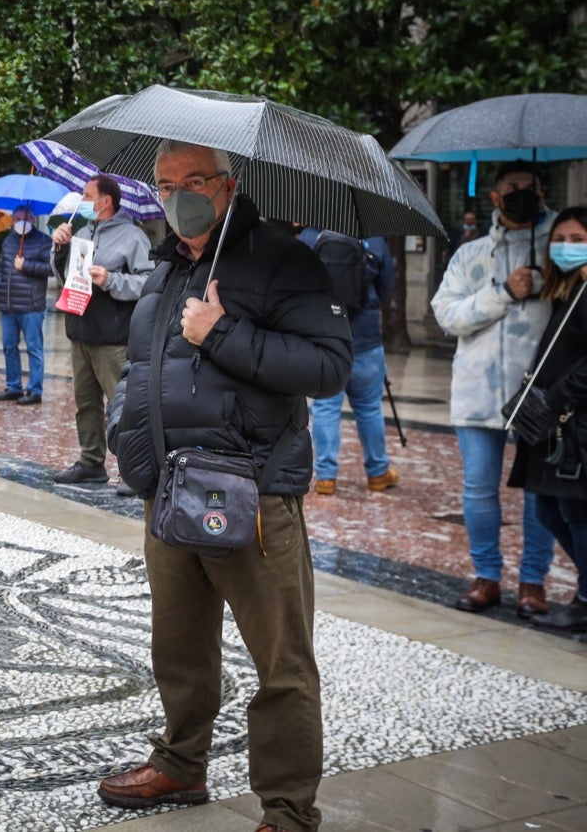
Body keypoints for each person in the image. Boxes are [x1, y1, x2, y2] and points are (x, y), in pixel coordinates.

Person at [98, 140, 351, 832]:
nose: (178, 192)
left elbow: (329, 367)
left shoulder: (280, 260)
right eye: (165, 181)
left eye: (195, 180)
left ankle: (288, 808)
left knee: (282, 662)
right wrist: (126, 433)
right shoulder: (163, 264)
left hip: (253, 494)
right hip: (169, 492)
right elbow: (138, 366)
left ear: (229, 186)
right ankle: (181, 763)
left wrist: (224, 332)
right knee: (178, 646)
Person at [431, 160, 557, 617]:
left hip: (540, 394)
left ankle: (533, 581)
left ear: (542, 195)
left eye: (530, 187)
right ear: (495, 198)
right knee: (479, 487)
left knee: (539, 490)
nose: (521, 194)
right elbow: (447, 315)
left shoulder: (558, 250)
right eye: (512, 187)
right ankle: (486, 576)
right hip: (478, 391)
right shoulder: (471, 254)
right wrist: (503, 291)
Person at [509, 208, 587, 631]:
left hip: (572, 422)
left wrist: (555, 399)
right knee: (549, 509)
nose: (567, 247)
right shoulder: (570, 288)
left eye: (578, 239)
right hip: (555, 421)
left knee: (573, 511)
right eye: (561, 238)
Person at [50, 174, 155, 486]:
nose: (81, 201)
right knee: (86, 403)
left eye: (86, 195)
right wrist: (60, 249)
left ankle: (131, 469)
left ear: (105, 201)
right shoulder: (81, 230)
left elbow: (148, 282)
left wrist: (111, 280)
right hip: (79, 328)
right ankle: (91, 461)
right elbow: (64, 276)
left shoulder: (133, 237)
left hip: (112, 336)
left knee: (120, 403)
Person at [299, 229, 399, 495]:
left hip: (327, 336)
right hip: (366, 338)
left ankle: (326, 477)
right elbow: (387, 288)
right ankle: (378, 472)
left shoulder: (310, 237)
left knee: (325, 408)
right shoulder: (376, 239)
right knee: (369, 408)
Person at [0, 206, 53, 405]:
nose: (20, 221)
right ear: (12, 220)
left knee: (34, 348)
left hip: (31, 305)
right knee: (9, 347)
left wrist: (25, 265)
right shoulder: (9, 242)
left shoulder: (44, 241)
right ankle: (14, 386)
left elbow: (51, 268)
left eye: (24, 218)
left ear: (33, 219)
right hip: (8, 305)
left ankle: (35, 390)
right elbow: (2, 267)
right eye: (17, 218)